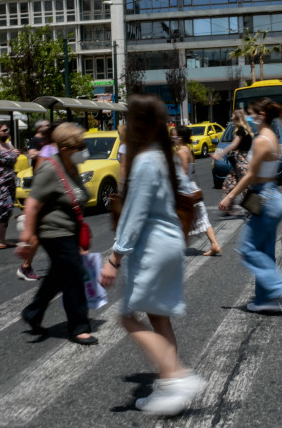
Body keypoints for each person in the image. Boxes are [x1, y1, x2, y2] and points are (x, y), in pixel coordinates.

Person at [99, 94, 204, 415]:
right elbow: (188, 192)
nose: (124, 125)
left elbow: (134, 214)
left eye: (128, 120)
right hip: (169, 243)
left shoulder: (145, 161)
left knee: (128, 317)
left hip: (153, 248)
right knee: (159, 317)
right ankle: (168, 388)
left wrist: (114, 258)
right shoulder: (165, 156)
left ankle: (179, 376)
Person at [18, 122, 97, 345]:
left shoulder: (72, 167)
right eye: (79, 145)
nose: (84, 149)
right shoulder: (50, 168)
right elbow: (32, 204)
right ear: (64, 149)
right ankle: (79, 327)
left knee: (57, 276)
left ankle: (33, 312)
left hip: (70, 230)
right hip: (53, 232)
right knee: (73, 275)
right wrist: (26, 237)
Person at [220, 98, 282, 311]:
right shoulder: (271, 136)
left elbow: (250, 174)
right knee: (265, 251)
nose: (250, 117)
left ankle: (279, 285)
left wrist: (229, 196)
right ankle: (267, 300)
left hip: (263, 197)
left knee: (247, 248)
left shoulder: (261, 140)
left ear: (262, 115)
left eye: (253, 114)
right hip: (270, 196)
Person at [174, 126, 221, 256]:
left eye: (174, 135)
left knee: (177, 219)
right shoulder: (188, 150)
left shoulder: (181, 152)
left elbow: (183, 173)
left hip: (186, 191)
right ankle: (214, 244)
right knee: (202, 218)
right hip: (194, 189)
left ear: (180, 137)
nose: (173, 138)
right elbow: (191, 171)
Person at [17, 119, 54, 282]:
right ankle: (26, 266)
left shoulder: (49, 143)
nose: (48, 126)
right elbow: (32, 155)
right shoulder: (38, 143)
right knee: (39, 233)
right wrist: (45, 151)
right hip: (44, 189)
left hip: (49, 190)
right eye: (45, 124)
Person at [212, 109, 253, 218]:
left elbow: (234, 145)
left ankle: (254, 211)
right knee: (228, 184)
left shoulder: (241, 130)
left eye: (233, 116)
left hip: (241, 162)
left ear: (237, 117)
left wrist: (220, 154)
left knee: (246, 187)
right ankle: (230, 210)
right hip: (237, 164)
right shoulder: (241, 130)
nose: (231, 118)